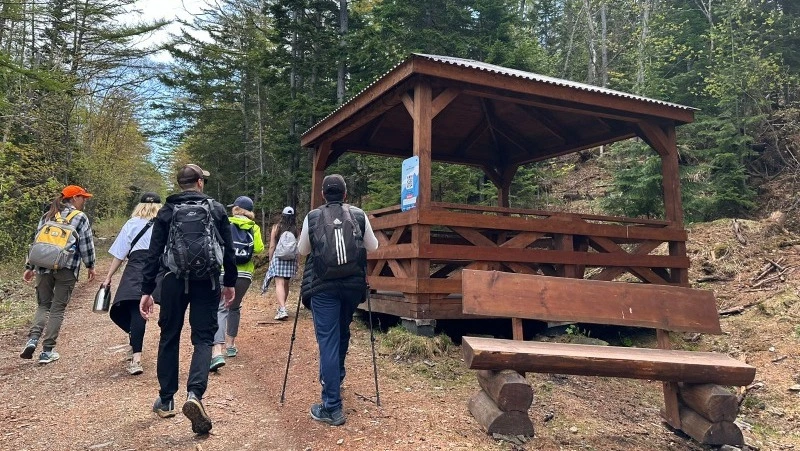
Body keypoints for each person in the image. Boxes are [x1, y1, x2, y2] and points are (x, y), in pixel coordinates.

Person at [138, 164, 237, 435]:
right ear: (199, 183)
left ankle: (167, 399)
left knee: (169, 335)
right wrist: (229, 282)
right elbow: (228, 250)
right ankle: (195, 394)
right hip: (207, 281)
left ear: (180, 184)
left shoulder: (166, 211)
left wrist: (146, 290)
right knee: (204, 338)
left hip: (172, 280)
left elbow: (153, 253)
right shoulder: (216, 209)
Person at [298, 174, 379, 426]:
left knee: (328, 341)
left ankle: (332, 406)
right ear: (345, 194)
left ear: (323, 194)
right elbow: (373, 247)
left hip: (323, 288)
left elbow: (303, 251)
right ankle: (337, 377)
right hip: (352, 288)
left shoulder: (312, 217)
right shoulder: (358, 214)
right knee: (342, 333)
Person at [21, 185, 96, 364]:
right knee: (57, 309)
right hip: (66, 267)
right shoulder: (79, 217)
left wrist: (30, 266)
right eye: (82, 197)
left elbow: (37, 241)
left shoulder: (48, 214)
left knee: (42, 305)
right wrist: (90, 265)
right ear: (74, 198)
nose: (84, 201)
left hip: (42, 267)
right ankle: (47, 351)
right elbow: (86, 243)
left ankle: (32, 340)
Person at [101, 192, 163, 376]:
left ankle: (136, 358)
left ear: (139, 206)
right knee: (168, 308)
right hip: (160, 267)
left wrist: (108, 277)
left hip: (136, 266)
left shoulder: (131, 224)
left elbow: (120, 253)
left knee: (134, 309)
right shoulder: (164, 223)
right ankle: (164, 349)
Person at [210, 195, 264, 371]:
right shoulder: (253, 227)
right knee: (235, 307)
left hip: (225, 271)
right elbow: (259, 248)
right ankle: (231, 345)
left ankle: (217, 351)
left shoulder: (226, 222)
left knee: (220, 307)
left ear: (236, 208)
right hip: (245, 274)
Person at [264, 206, 298, 321]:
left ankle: (282, 308)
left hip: (278, 258)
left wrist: (270, 259)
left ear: (282, 216)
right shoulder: (296, 229)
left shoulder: (277, 228)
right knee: (286, 284)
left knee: (279, 283)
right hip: (291, 259)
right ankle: (282, 307)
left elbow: (272, 245)